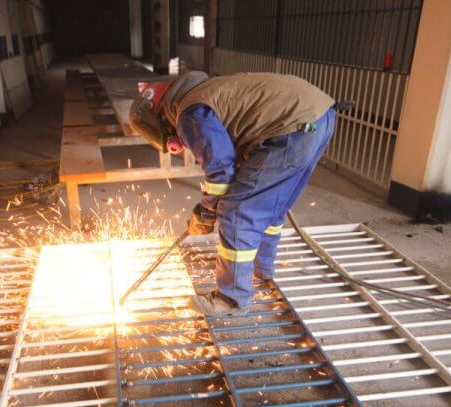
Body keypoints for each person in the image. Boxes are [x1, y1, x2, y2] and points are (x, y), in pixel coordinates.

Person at [129, 71, 337, 317]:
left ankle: (231, 298)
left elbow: (221, 172)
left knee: (237, 211)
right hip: (321, 116)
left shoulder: (191, 113)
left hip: (294, 127)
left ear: (161, 119)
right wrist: (207, 209)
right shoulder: (211, 94)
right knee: (270, 205)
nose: (176, 145)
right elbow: (237, 158)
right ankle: (261, 268)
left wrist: (206, 213)